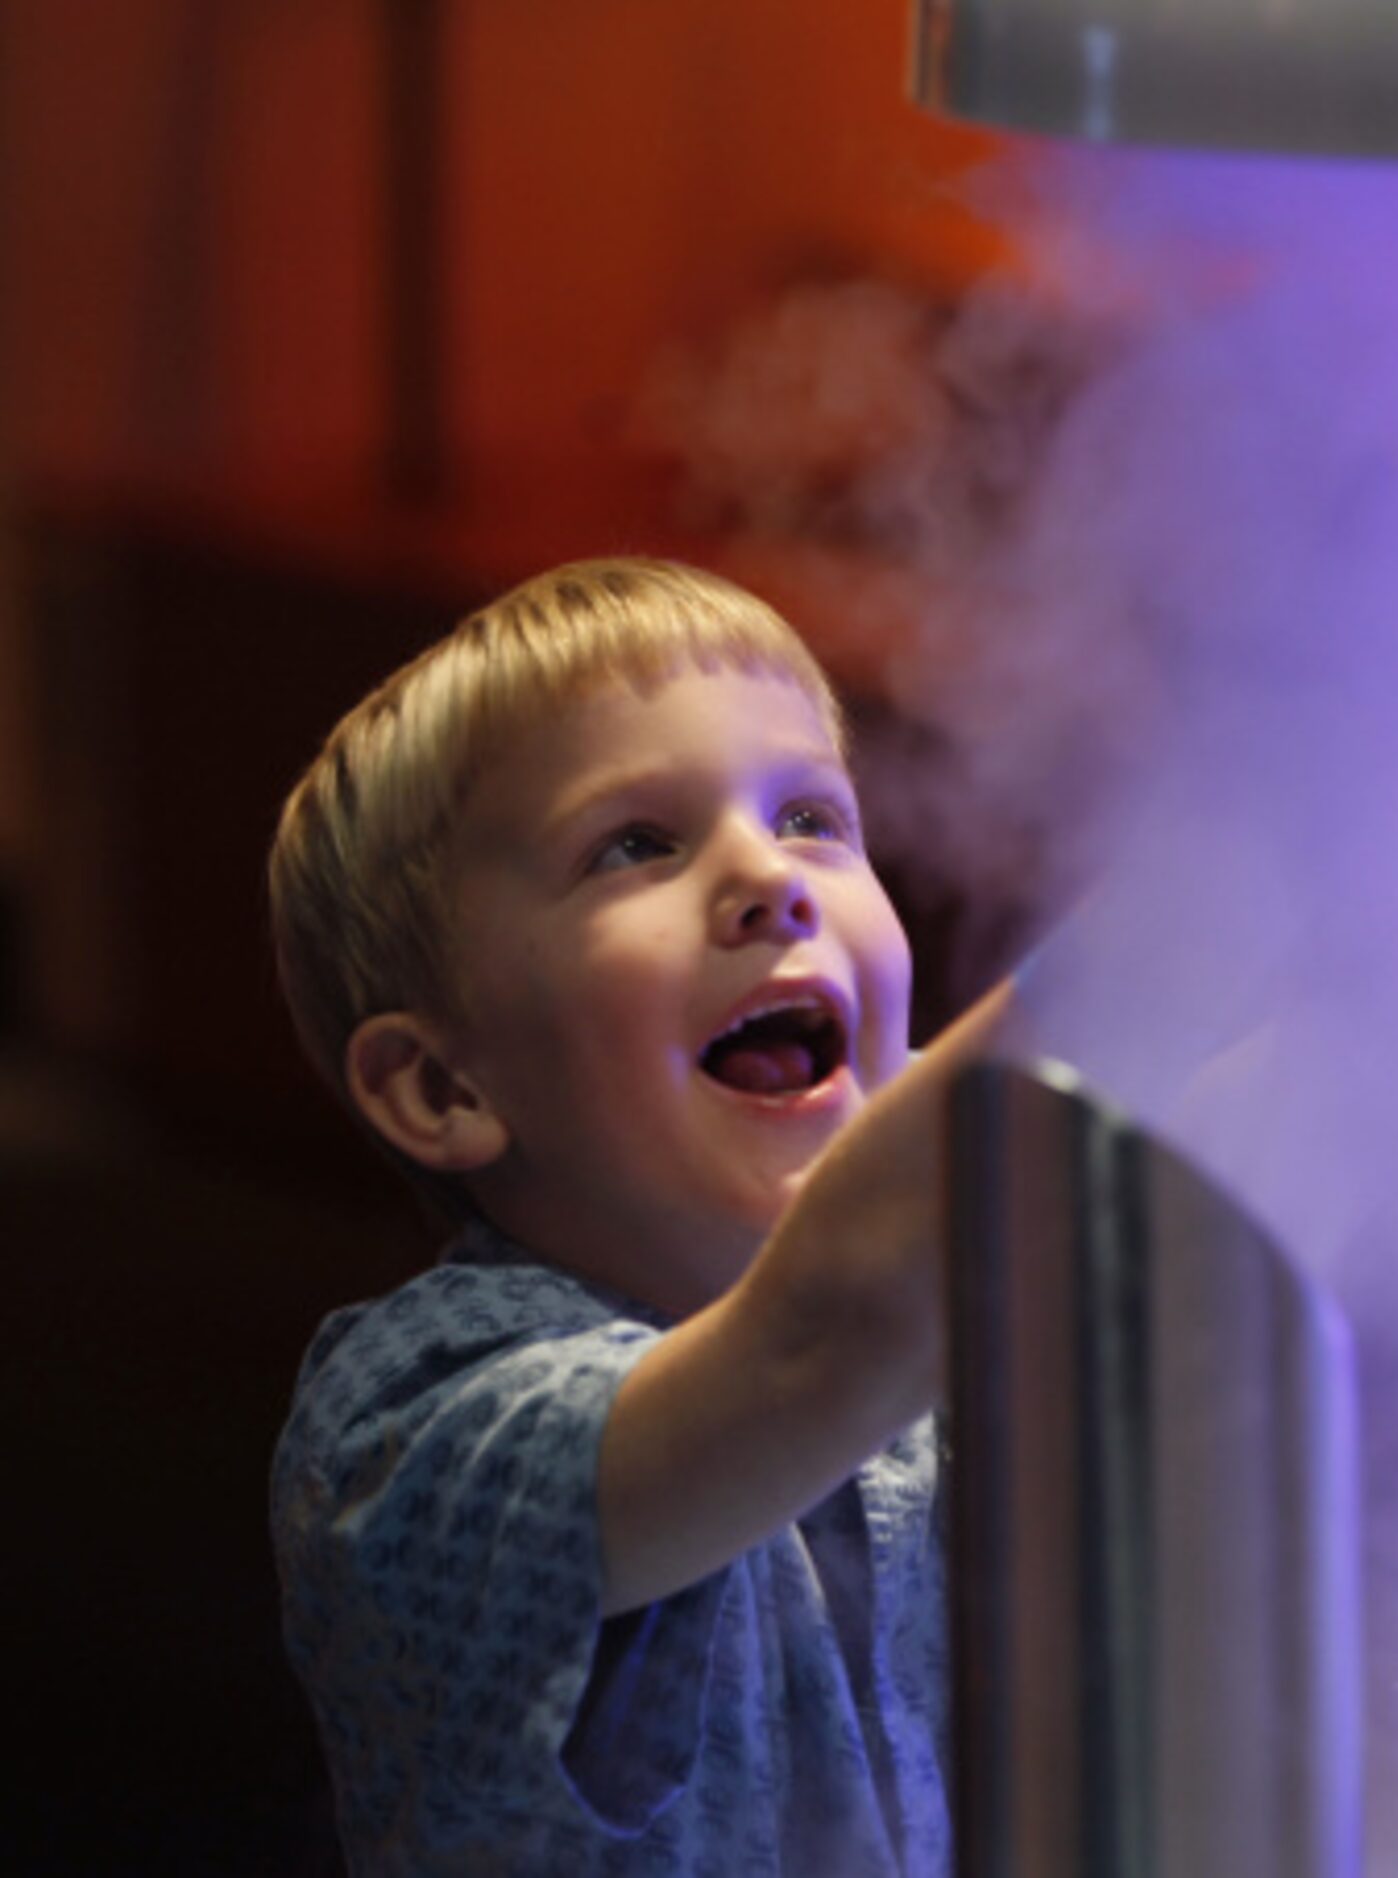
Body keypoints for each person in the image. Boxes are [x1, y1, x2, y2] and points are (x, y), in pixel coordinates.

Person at [266, 557, 1004, 1874]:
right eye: (636, 844)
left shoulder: (945, 1357)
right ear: (445, 1084)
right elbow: (826, 1332)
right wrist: (1195, 916)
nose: (767, 880)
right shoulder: (415, 1425)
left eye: (814, 820)